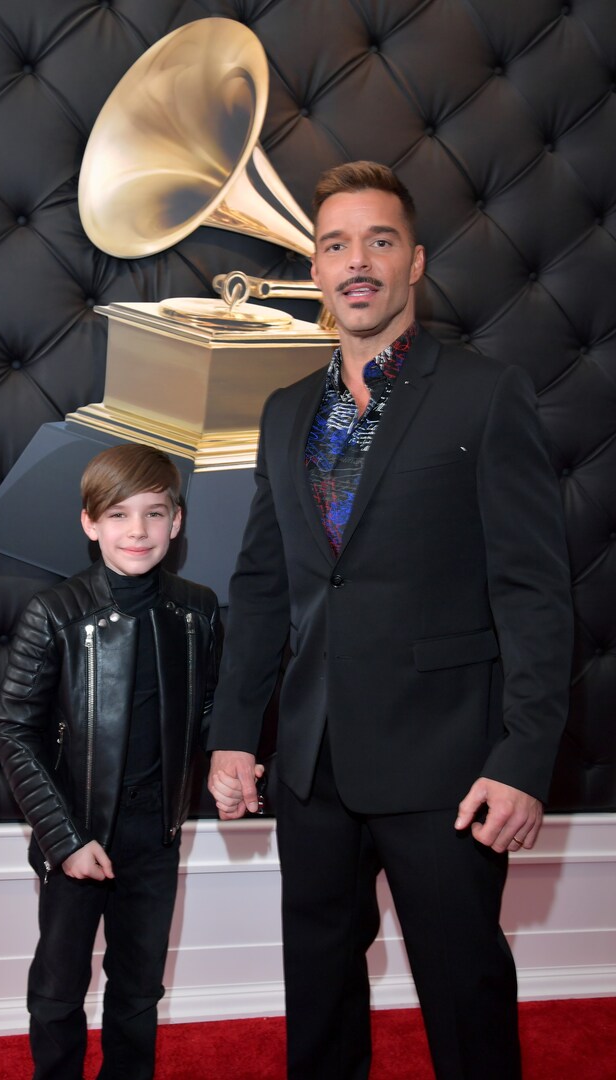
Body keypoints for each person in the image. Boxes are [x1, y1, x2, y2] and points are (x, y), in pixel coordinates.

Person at [207, 161, 573, 1080]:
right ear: (317, 269)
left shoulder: (487, 392)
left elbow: (533, 590)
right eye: (336, 245)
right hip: (312, 766)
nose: (357, 261)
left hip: (448, 765)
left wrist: (524, 758)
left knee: (465, 999)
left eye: (379, 241)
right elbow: (262, 586)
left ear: (414, 262)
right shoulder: (285, 413)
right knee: (319, 1007)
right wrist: (234, 734)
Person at [0, 443, 221, 1080]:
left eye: (155, 513)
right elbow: (14, 731)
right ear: (90, 524)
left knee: (139, 988)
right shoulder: (54, 613)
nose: (138, 530)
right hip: (77, 830)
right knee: (59, 987)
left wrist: (234, 762)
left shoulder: (198, 610)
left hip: (157, 836)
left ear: (177, 521)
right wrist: (65, 839)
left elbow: (208, 712)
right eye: (118, 514)